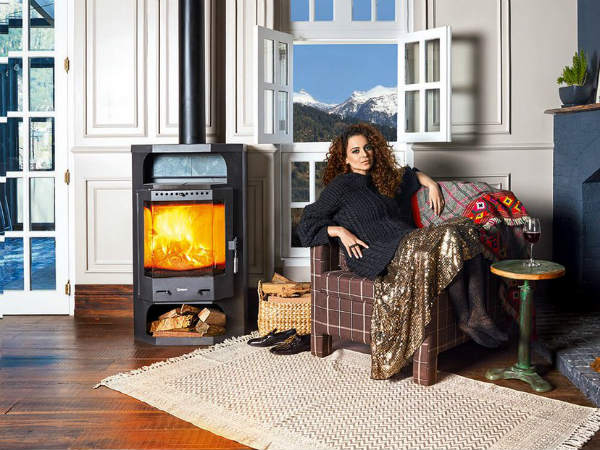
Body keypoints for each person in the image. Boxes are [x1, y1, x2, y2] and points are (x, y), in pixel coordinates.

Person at [296, 122, 507, 380]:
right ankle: (466, 317)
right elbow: (307, 222)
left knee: (468, 228)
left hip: (408, 240)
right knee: (451, 235)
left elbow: (412, 175)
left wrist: (431, 184)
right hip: (378, 253)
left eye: (368, 148)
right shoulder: (340, 187)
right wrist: (339, 231)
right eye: (355, 151)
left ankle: (478, 315)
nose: (364, 154)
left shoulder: (384, 180)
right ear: (345, 158)